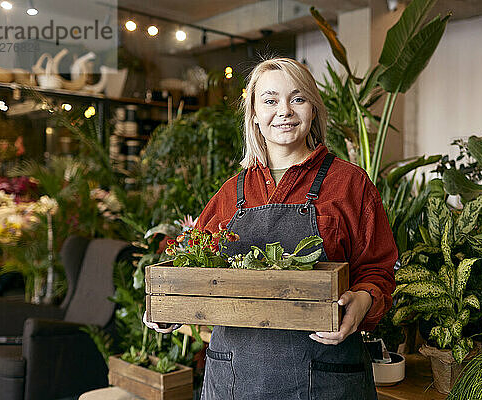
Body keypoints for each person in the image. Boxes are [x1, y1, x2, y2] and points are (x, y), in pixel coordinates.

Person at [144, 57, 397, 399]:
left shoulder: (349, 183)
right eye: (270, 100)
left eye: (297, 98)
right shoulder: (230, 193)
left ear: (313, 109)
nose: (285, 111)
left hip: (325, 377)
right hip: (234, 377)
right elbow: (191, 267)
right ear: (254, 116)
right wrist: (168, 307)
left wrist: (364, 300)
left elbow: (378, 269)